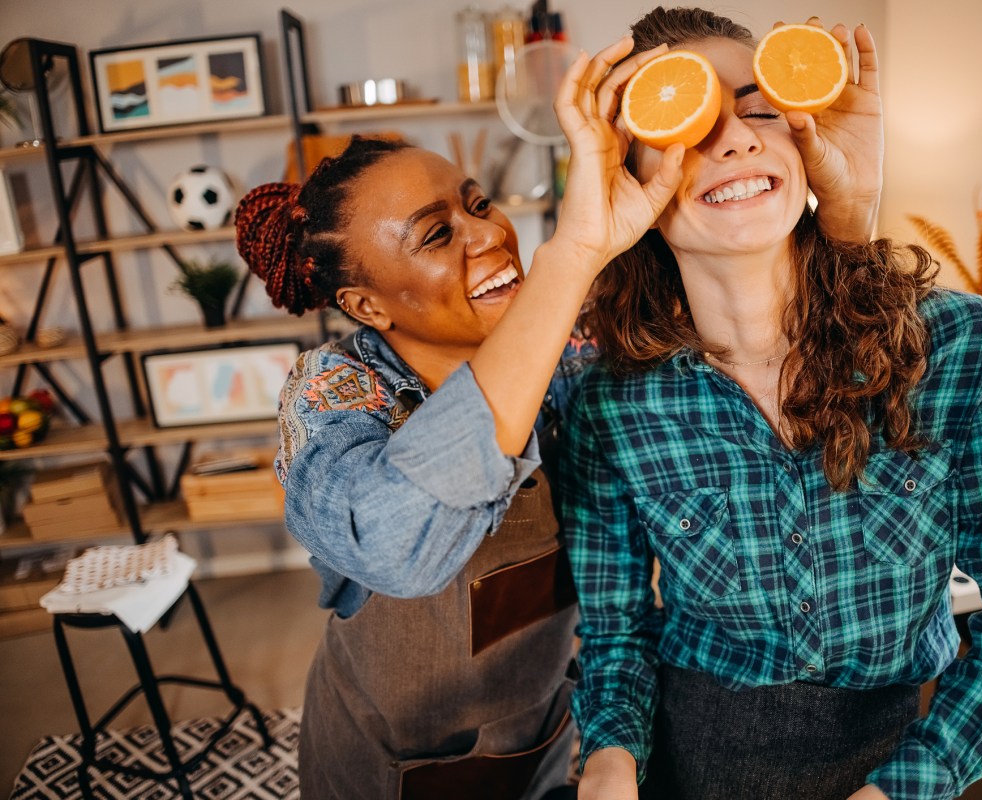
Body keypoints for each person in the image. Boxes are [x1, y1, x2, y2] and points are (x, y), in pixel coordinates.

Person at [233, 23, 881, 797]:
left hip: (540, 734)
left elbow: (765, 321)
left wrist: (851, 204)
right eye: (439, 235)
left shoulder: (578, 349)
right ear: (364, 303)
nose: (489, 236)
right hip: (386, 762)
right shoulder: (334, 394)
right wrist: (569, 256)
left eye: (476, 204)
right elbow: (396, 545)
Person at [560, 8, 982, 800]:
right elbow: (617, 634)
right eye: (686, 124)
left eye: (759, 106)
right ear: (628, 180)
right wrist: (608, 764)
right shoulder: (609, 400)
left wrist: (909, 783)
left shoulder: (957, 345)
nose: (733, 138)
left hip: (902, 751)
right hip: (699, 755)